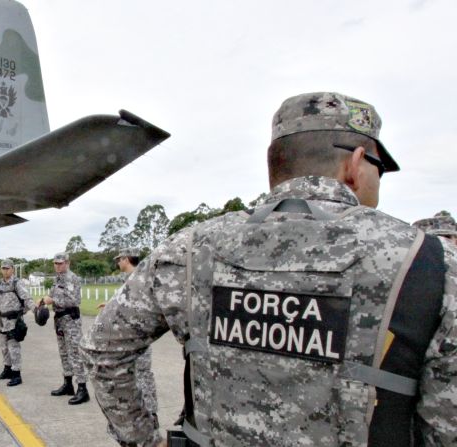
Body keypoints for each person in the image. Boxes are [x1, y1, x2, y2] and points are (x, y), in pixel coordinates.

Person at [82, 92, 457, 446]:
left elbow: (105, 348)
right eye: (381, 168)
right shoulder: (429, 263)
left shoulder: (191, 249)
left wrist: (143, 439)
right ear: (356, 164)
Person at [96, 248, 159, 423]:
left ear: (126, 259)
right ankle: (144, 415)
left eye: (119, 259)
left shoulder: (138, 278)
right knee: (135, 375)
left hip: (138, 335)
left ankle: (152, 415)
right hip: (130, 337)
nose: (118, 263)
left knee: (143, 374)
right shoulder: (133, 278)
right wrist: (109, 305)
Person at [0, 259, 34, 387]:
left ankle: (16, 374)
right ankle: (7, 369)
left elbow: (27, 298)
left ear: (12, 269)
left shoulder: (17, 283)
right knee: (4, 348)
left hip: (14, 321)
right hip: (3, 321)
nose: (5, 271)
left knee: (13, 348)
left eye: (7, 268)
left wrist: (35, 310)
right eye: (3, 268)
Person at [43, 252, 89, 404]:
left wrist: (53, 299)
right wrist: (43, 301)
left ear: (67, 263)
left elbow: (75, 300)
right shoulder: (57, 279)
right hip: (60, 320)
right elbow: (52, 295)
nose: (58, 266)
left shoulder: (72, 278)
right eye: (55, 263)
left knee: (75, 353)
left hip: (71, 320)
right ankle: (68, 384)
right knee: (64, 353)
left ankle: (82, 388)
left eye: (61, 263)